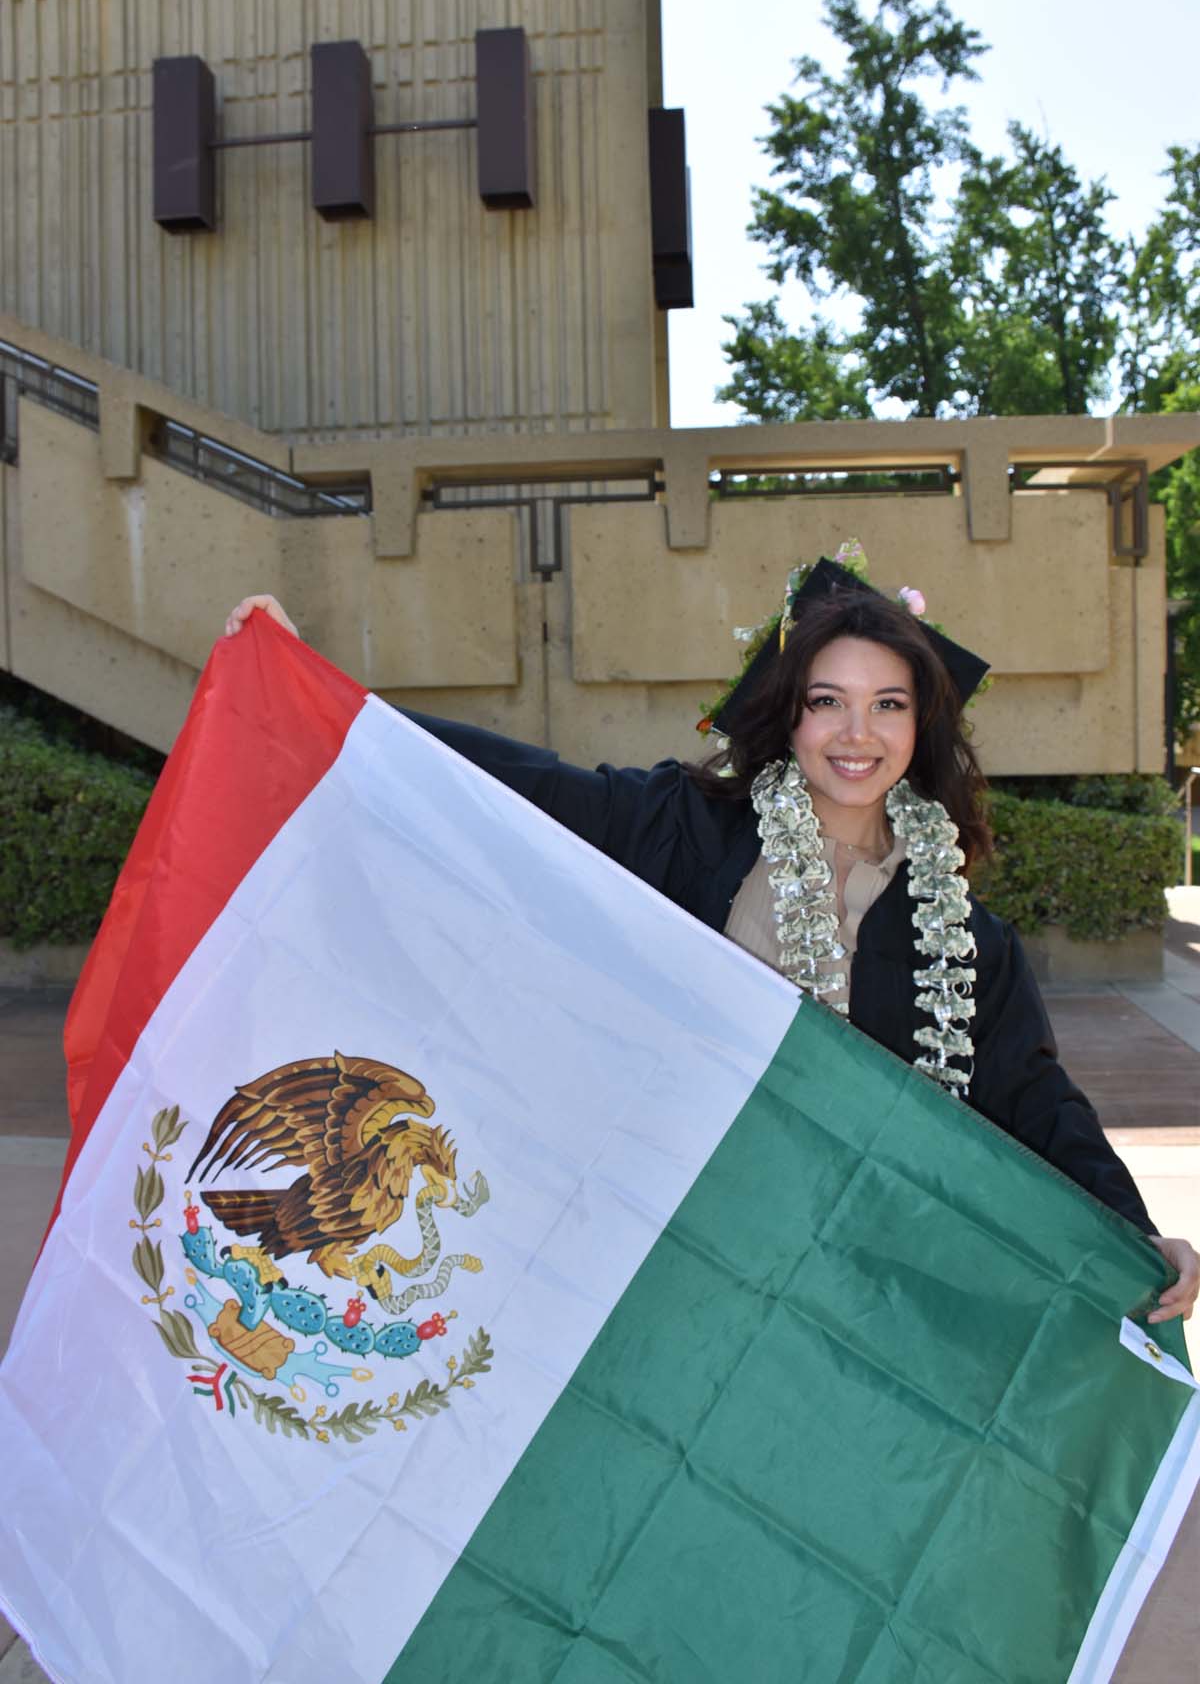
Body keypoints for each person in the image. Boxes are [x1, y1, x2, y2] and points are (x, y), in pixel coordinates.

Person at [223, 556, 1198, 1324]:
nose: (857, 732)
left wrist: (1136, 1238)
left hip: (862, 1279)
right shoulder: (688, 831)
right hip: (670, 1235)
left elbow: (1031, 1100)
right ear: (791, 714)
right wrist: (326, 705)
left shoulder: (967, 942)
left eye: (888, 704)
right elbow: (529, 790)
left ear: (922, 725)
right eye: (828, 700)